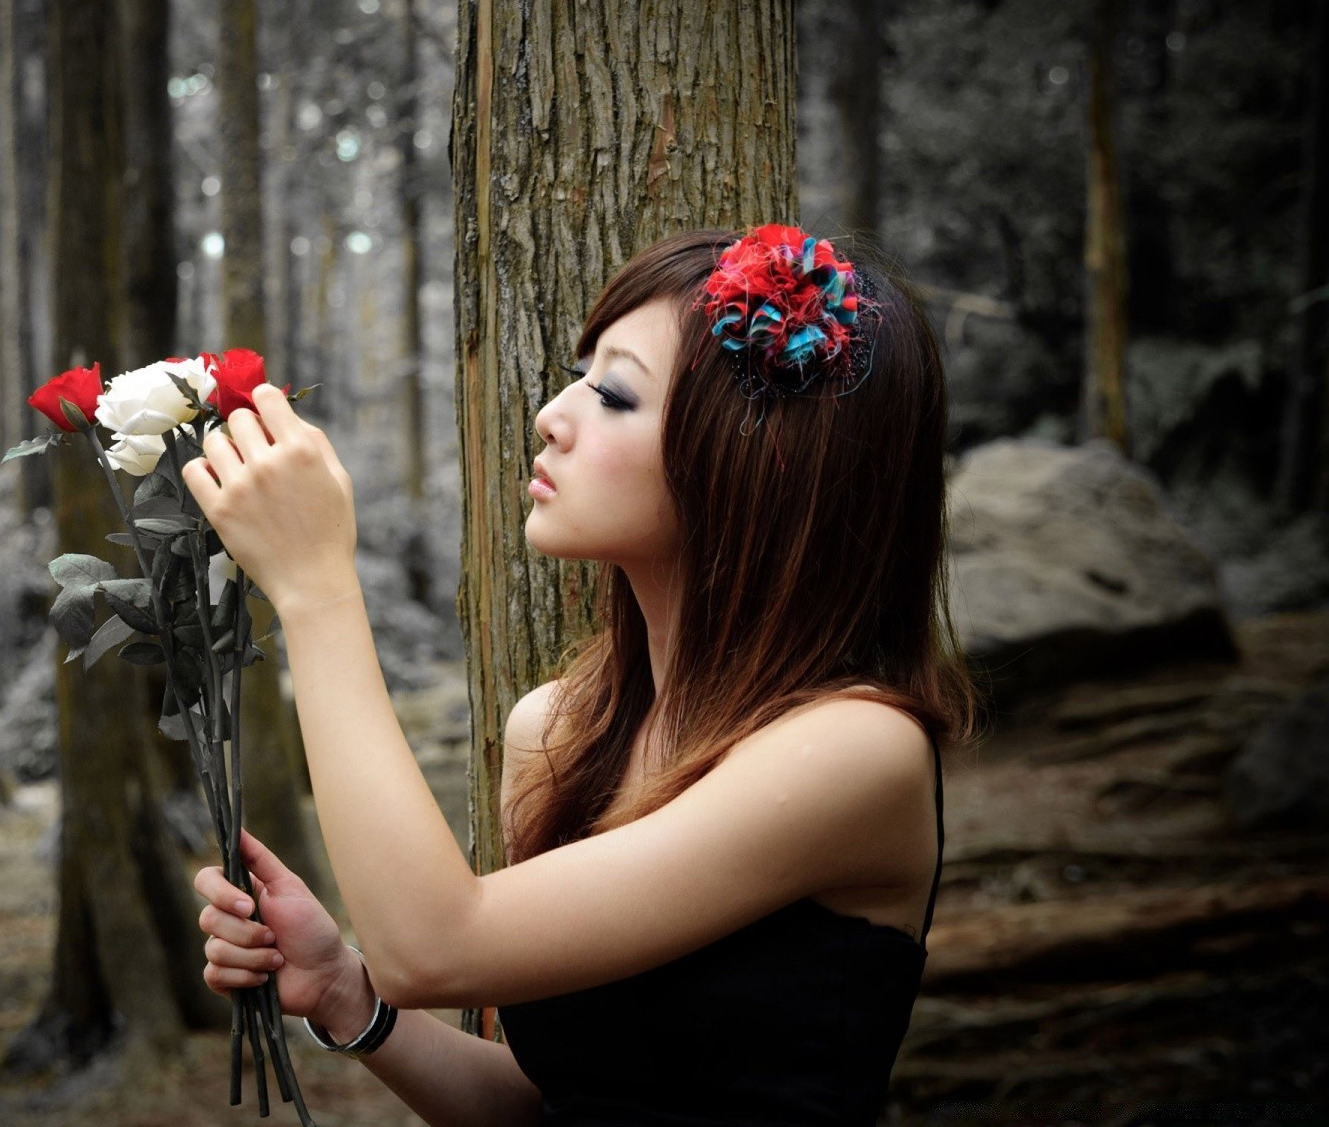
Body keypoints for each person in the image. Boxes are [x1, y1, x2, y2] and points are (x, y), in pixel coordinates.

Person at [178, 226, 980, 1125]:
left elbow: (434, 948)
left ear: (754, 464)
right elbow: (552, 1103)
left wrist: (316, 588)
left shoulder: (856, 751)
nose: (552, 415)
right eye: (581, 375)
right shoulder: (562, 733)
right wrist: (344, 994)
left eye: (613, 392)